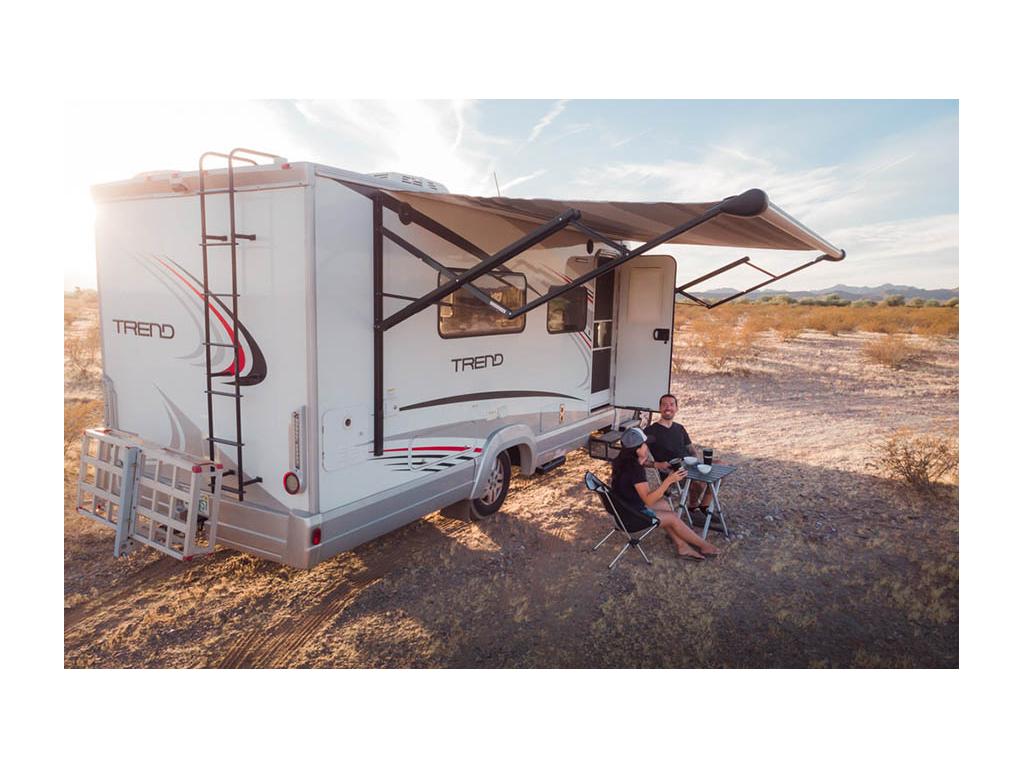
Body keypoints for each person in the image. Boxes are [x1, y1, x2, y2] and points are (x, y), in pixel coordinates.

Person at [610, 427, 719, 561]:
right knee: (672, 517)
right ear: (638, 450)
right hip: (630, 518)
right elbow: (648, 500)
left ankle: (682, 546)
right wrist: (669, 481)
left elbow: (641, 480)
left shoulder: (623, 462)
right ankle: (704, 546)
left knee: (663, 504)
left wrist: (656, 465)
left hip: (622, 509)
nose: (647, 447)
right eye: (645, 444)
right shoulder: (635, 470)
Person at [644, 393, 714, 520]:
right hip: (672, 473)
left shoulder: (680, 428)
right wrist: (656, 464)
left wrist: (696, 462)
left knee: (721, 466)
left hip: (690, 467)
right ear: (659, 408)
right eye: (664, 405)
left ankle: (704, 505)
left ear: (676, 408)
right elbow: (638, 459)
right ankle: (693, 507)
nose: (668, 407)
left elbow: (691, 450)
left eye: (671, 404)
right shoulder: (650, 431)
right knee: (700, 481)